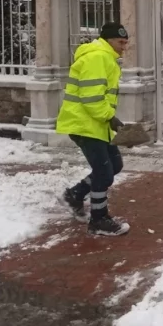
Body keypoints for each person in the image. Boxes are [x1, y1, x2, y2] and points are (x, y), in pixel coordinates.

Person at [57, 22, 131, 236]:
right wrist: (110, 117)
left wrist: (108, 120)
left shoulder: (105, 57)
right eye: (120, 42)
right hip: (84, 124)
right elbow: (91, 98)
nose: (124, 47)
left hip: (96, 124)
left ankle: (75, 194)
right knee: (104, 173)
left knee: (114, 165)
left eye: (126, 42)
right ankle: (99, 219)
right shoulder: (97, 57)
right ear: (108, 40)